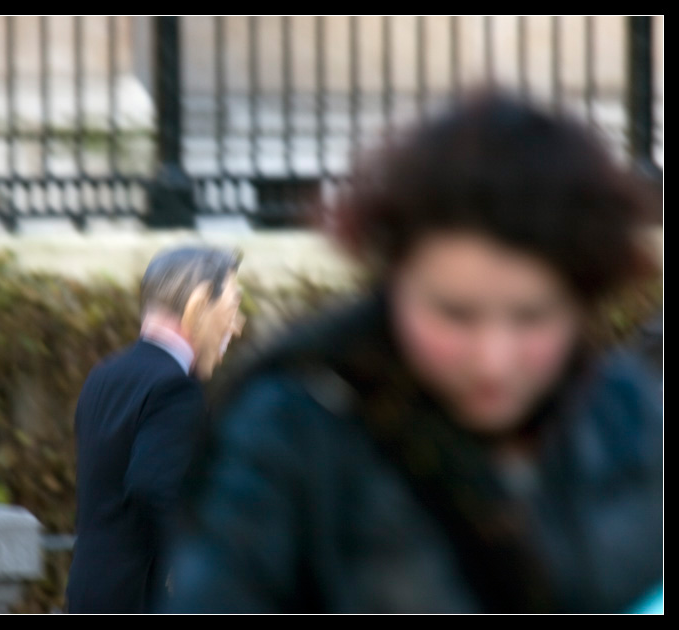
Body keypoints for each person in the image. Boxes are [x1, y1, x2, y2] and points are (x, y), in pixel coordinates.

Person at [165, 94, 662, 613]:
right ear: (393, 280)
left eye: (531, 318)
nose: (493, 360)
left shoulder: (628, 417)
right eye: (455, 315)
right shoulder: (296, 426)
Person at [66, 246, 244, 613]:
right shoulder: (176, 388)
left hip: (89, 591)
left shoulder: (104, 375)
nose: (237, 326)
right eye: (232, 308)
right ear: (197, 306)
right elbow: (155, 487)